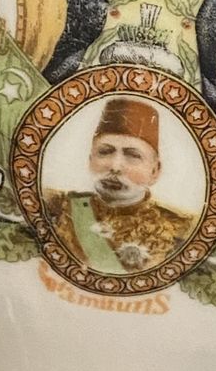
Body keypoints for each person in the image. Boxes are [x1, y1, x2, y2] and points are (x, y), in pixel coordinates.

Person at [45, 98, 196, 274]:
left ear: (155, 171)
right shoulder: (56, 208)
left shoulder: (182, 230)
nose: (115, 166)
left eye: (133, 155)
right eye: (105, 152)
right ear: (90, 160)